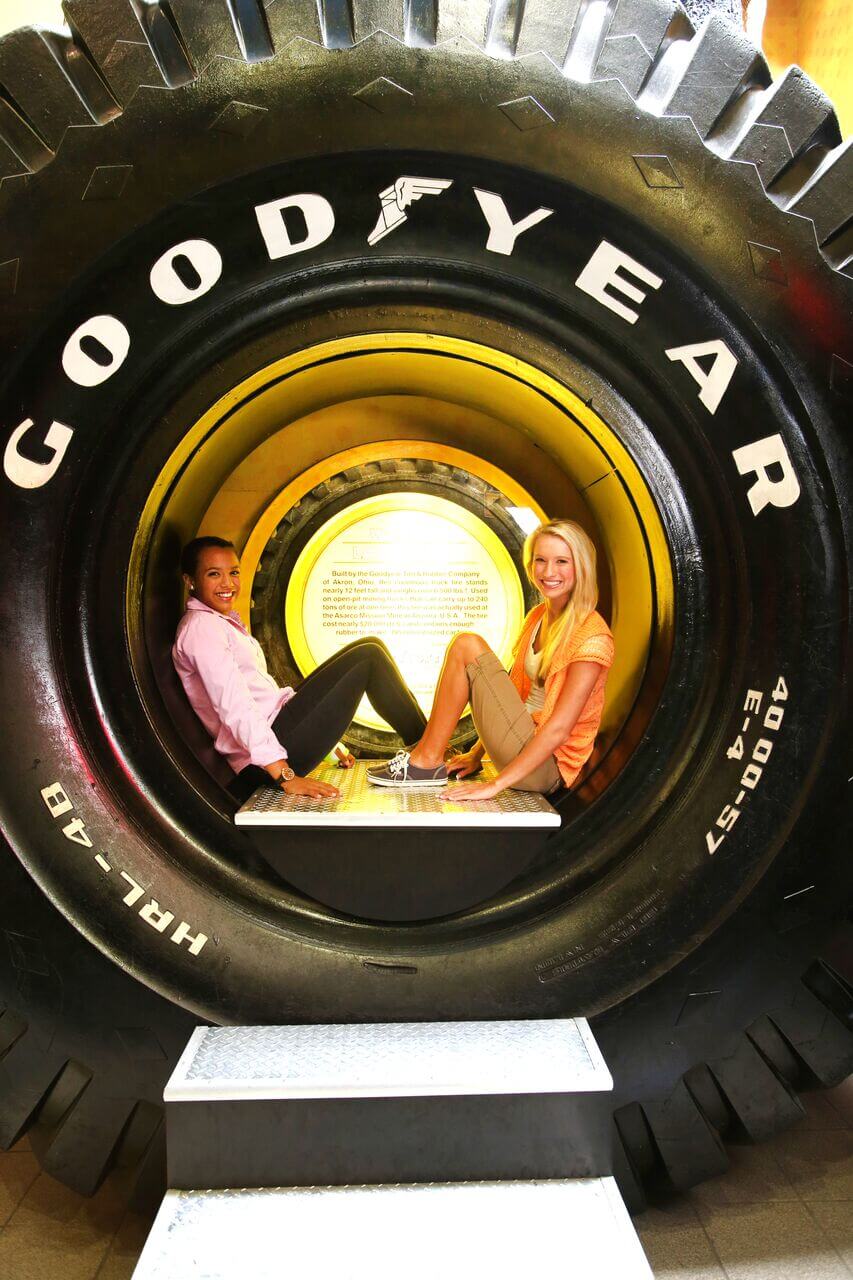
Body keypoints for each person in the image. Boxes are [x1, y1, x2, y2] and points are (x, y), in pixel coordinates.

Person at [367, 519, 614, 800]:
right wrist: (476, 755)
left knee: (467, 645)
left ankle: (426, 761)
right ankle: (426, 757)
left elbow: (558, 731)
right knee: (465, 645)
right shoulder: (536, 618)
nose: (548, 571)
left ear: (581, 567)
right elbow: (509, 698)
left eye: (562, 562)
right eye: (540, 560)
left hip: (547, 768)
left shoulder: (592, 637)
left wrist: (494, 786)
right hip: (522, 746)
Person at [172, 536, 428, 802]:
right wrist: (285, 775)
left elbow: (262, 698)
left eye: (234, 573)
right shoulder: (202, 629)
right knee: (369, 657)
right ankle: (429, 752)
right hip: (265, 762)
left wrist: (330, 748)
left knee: (370, 645)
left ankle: (428, 748)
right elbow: (235, 707)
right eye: (214, 574)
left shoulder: (216, 622)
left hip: (277, 736)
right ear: (190, 580)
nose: (228, 584)